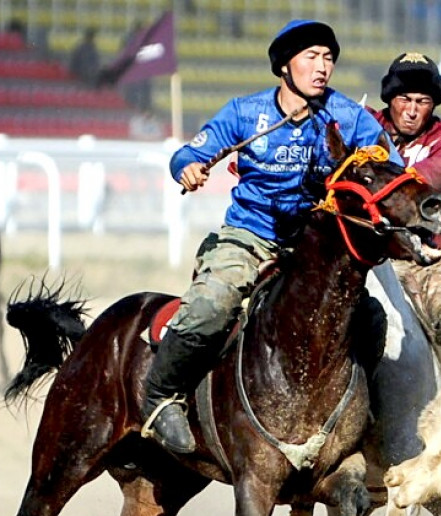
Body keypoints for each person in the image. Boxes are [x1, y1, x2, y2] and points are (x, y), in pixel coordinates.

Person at [141, 19, 402, 454]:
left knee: (371, 319)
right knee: (211, 304)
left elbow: (389, 168)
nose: (323, 67)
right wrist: (188, 167)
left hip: (314, 249)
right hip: (250, 236)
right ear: (284, 66)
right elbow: (189, 153)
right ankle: (161, 396)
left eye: (329, 58)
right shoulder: (245, 113)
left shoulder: (346, 117)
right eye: (312, 57)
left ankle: (358, 411)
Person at [369, 52, 441, 374]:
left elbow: (407, 190)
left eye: (423, 101)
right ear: (389, 98)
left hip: (428, 256)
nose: (412, 111)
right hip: (370, 253)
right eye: (404, 98)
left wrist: (370, 170)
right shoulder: (366, 125)